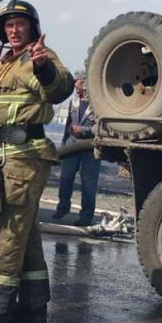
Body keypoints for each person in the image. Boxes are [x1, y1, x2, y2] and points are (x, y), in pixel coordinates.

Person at [0, 0, 73, 323]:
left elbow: (60, 89)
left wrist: (43, 67)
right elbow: (0, 117)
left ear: (32, 28)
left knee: (7, 229)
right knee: (25, 231)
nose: (13, 29)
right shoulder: (7, 64)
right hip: (3, 156)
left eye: (20, 23)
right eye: (8, 24)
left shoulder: (40, 58)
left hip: (26, 158)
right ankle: (34, 302)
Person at [53, 71, 100, 226]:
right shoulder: (73, 102)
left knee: (88, 182)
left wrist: (82, 130)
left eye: (78, 82)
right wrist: (63, 147)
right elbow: (67, 126)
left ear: (86, 84)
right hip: (72, 146)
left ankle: (86, 217)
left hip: (90, 148)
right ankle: (62, 207)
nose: (75, 86)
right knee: (66, 177)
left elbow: (101, 128)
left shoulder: (98, 104)